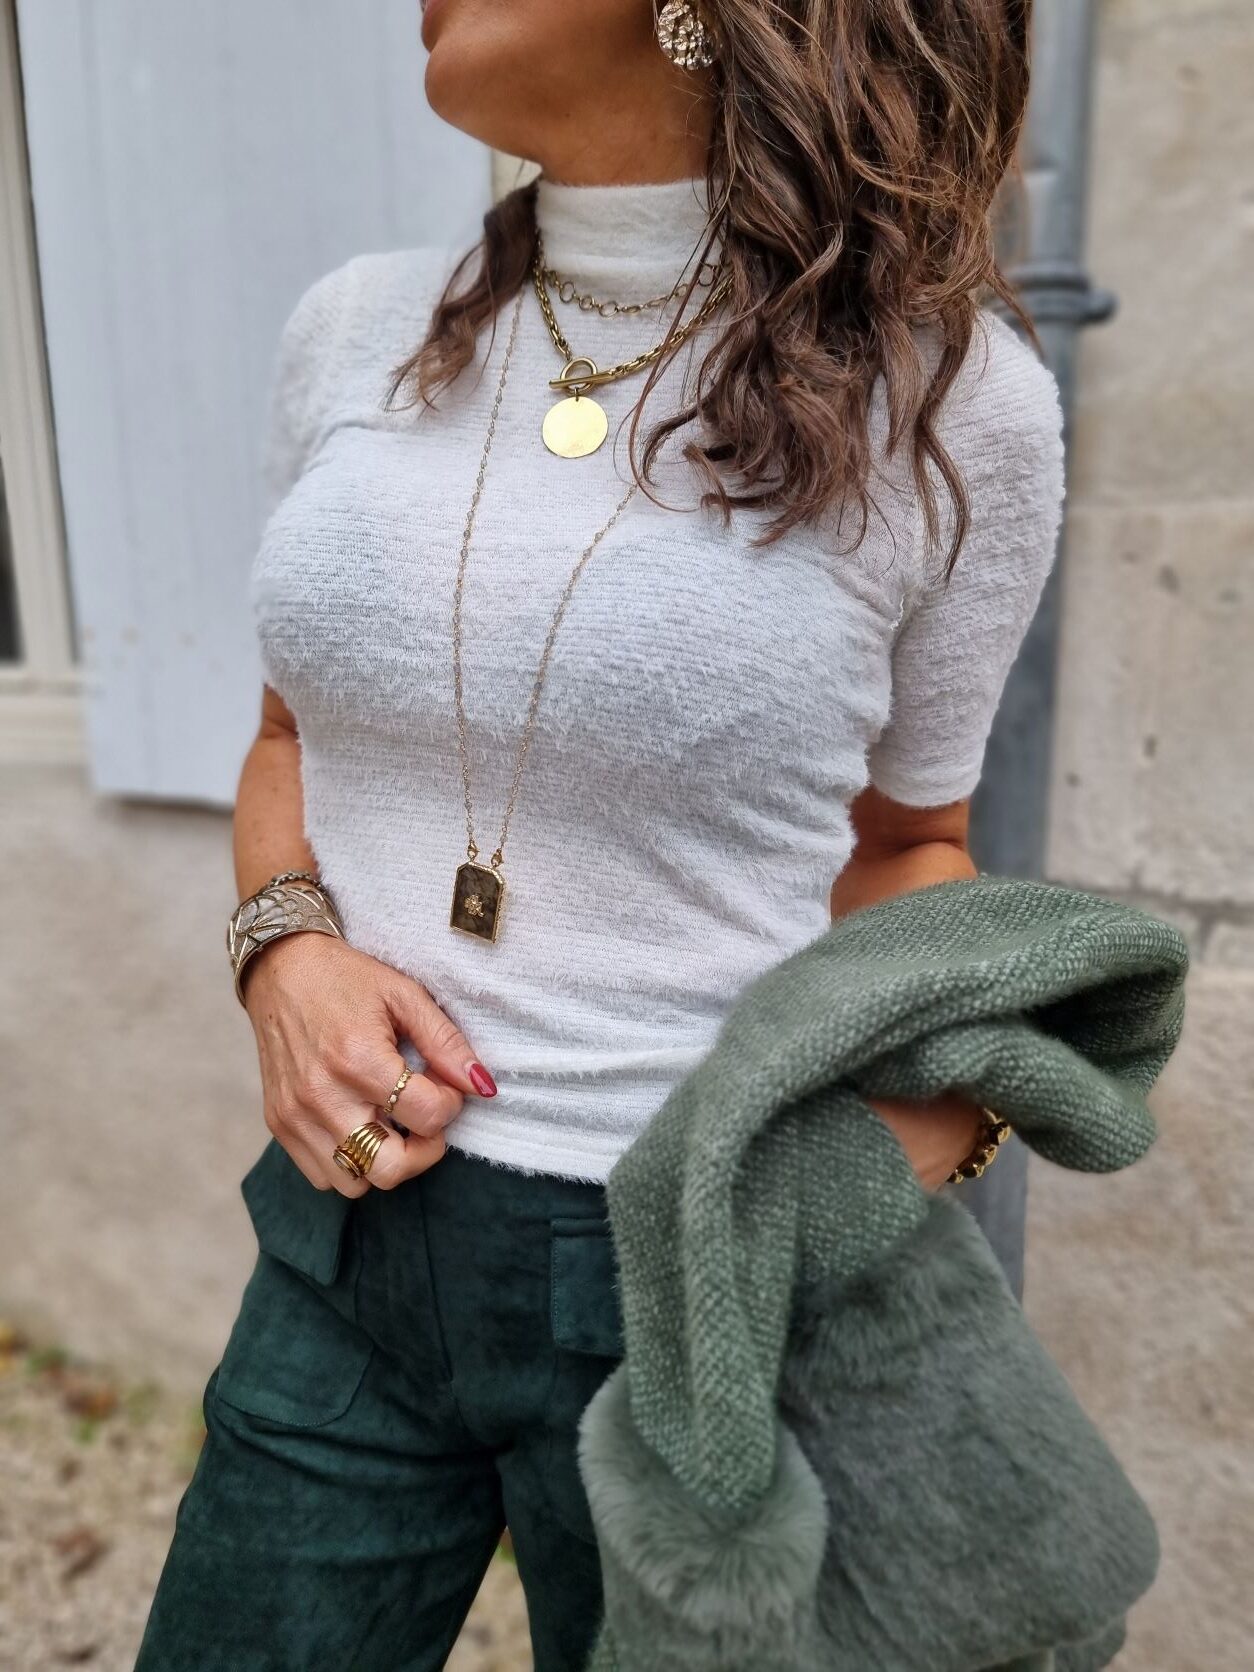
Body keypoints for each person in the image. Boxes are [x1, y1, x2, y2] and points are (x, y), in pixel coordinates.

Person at [136, 0, 1064, 1667]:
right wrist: (283, 948)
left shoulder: (951, 399)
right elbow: (288, 738)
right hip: (346, 1251)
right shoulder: (359, 328)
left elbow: (908, 840)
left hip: (687, 1288)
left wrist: (918, 1131)